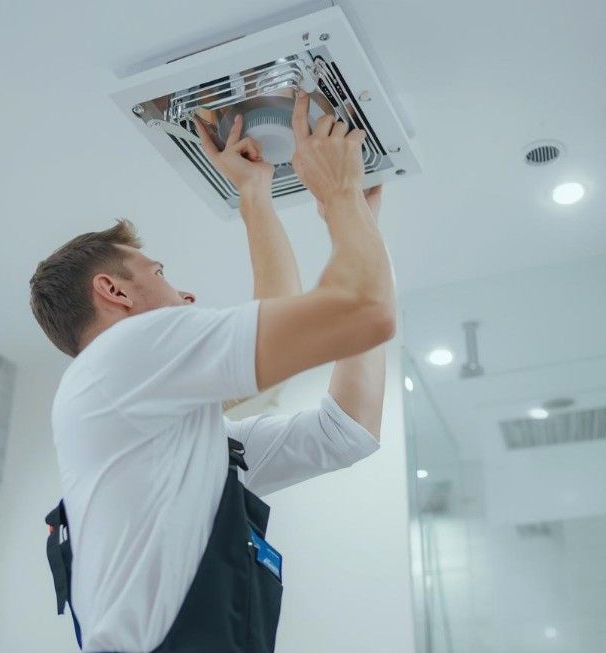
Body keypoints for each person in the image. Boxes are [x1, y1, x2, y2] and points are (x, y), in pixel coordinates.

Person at [29, 89, 396, 653]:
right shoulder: (119, 356)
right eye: (161, 272)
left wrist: (271, 196)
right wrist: (342, 199)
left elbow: (345, 432)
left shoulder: (176, 439)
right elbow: (352, 313)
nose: (188, 292)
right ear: (114, 290)